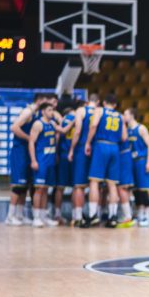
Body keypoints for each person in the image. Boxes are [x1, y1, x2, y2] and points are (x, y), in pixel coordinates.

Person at [83, 94, 127, 228]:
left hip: (101, 145)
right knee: (112, 184)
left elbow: (93, 125)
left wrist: (88, 142)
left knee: (94, 181)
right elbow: (124, 137)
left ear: (103, 102)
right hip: (114, 147)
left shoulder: (99, 111)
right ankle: (112, 217)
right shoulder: (120, 116)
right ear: (115, 104)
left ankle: (92, 215)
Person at [5, 93, 46, 225]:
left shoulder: (37, 114)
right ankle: (9, 217)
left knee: (25, 185)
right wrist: (30, 139)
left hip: (27, 152)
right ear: (39, 101)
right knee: (18, 184)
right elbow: (14, 127)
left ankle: (19, 214)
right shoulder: (28, 112)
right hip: (20, 151)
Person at [68, 94, 100, 226]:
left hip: (82, 148)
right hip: (96, 149)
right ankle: (95, 215)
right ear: (97, 102)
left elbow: (77, 131)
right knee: (96, 184)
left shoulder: (81, 111)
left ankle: (78, 216)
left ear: (87, 102)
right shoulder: (101, 112)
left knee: (79, 186)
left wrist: (71, 149)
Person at [28, 103, 59, 228]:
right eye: (50, 110)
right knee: (39, 189)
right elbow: (31, 142)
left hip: (50, 160)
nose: (52, 112)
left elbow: (63, 130)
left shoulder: (52, 124)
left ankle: (43, 216)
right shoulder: (38, 124)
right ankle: (35, 217)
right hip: (41, 160)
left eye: (53, 110)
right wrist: (33, 160)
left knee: (46, 189)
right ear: (43, 112)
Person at [125, 108, 149, 226]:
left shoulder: (141, 128)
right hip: (131, 162)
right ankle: (140, 213)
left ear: (132, 115)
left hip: (141, 161)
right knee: (135, 190)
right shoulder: (126, 130)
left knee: (143, 189)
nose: (124, 116)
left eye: (125, 114)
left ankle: (148, 215)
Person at [53, 107, 76, 224]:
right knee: (76, 187)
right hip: (75, 155)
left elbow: (57, 138)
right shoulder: (77, 118)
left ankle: (57, 214)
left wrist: (56, 153)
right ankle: (75, 215)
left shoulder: (62, 121)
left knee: (60, 187)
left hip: (63, 155)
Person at [116, 111, 135, 228]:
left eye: (126, 114)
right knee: (125, 187)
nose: (123, 115)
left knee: (122, 187)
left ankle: (128, 216)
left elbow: (123, 138)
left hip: (123, 157)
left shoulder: (122, 125)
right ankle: (128, 215)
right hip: (124, 157)